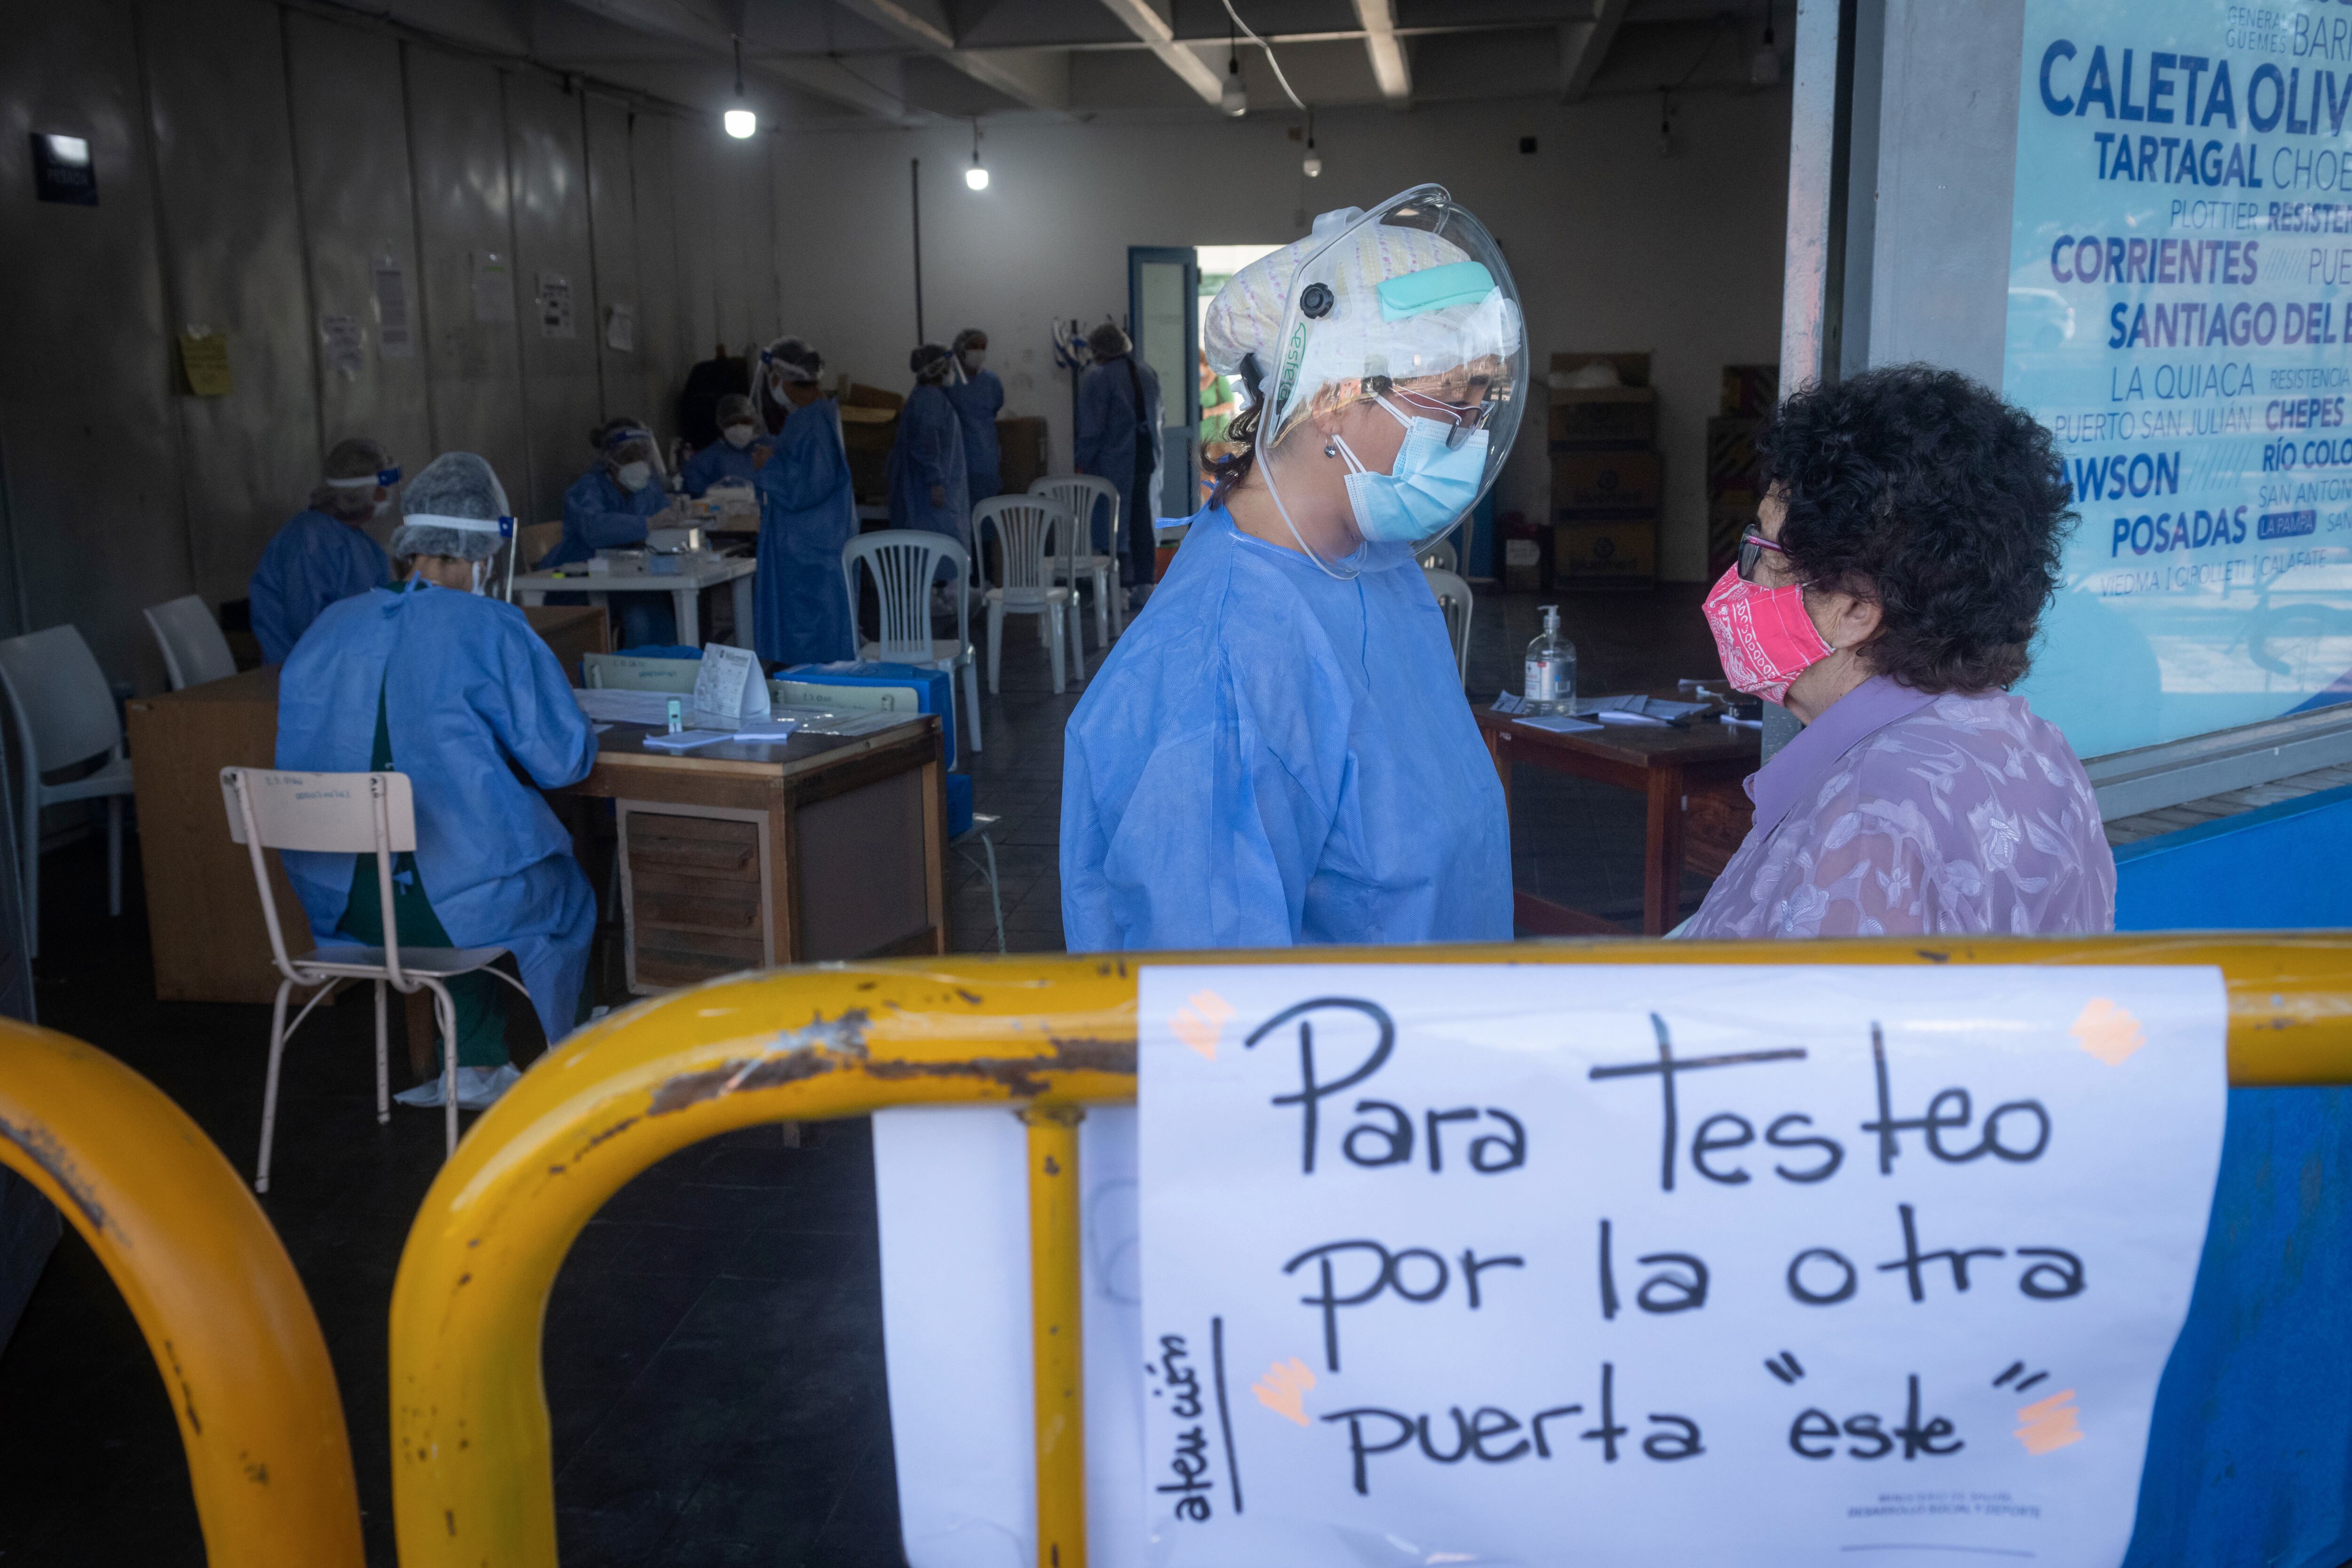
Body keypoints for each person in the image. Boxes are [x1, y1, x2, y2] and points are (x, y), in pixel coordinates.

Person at [1061, 187, 1526, 949]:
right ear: (1336, 397)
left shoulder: (1373, 567)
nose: (1468, 439)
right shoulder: (1216, 662)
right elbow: (1207, 1014)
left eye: (1482, 404)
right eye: (1451, 401)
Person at [1680, 364, 2114, 939]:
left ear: (1855, 611)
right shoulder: (2032, 746)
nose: (1740, 576)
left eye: (1759, 548)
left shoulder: (1869, 814)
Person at [275, 452, 597, 1110]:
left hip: (341, 907)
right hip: (456, 904)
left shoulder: (328, 628)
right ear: (480, 551)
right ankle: (579, 1054)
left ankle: (472, 1063)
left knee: (452, 871)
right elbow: (564, 762)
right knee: (554, 887)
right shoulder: (491, 626)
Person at [750, 336, 857, 665]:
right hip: (810, 545)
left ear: (783, 378)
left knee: (811, 639)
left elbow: (806, 487)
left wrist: (769, 464)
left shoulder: (812, 422)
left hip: (810, 551)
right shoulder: (815, 418)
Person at [251, 437, 397, 663]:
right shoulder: (307, 542)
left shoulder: (360, 544)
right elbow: (309, 628)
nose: (387, 496)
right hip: (302, 674)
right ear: (360, 494)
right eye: (382, 489)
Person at [547, 418, 676, 646]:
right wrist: (645, 525)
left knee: (658, 610)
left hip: (631, 580)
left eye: (643, 457)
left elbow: (663, 517)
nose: (640, 465)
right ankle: (639, 677)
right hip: (583, 582)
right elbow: (595, 529)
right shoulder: (586, 490)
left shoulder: (646, 489)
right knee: (641, 617)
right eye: (629, 458)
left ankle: (667, 673)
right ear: (609, 461)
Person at [1075, 322, 1162, 609]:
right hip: (1145, 458)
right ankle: (1144, 585)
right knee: (1140, 520)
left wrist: (1082, 461)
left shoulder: (1099, 379)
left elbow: (1092, 428)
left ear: (1099, 350)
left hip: (1113, 462)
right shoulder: (1146, 373)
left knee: (1113, 524)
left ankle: (1119, 590)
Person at [887, 344, 971, 580]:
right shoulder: (930, 401)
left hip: (926, 488)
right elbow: (926, 443)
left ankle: (940, 592)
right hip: (930, 494)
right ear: (938, 370)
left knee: (931, 548)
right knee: (938, 545)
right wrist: (936, 480)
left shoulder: (924, 398)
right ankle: (941, 595)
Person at [941, 327, 1005, 504]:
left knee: (988, 509)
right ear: (961, 349)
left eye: (983, 347)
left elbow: (995, 408)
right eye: (973, 346)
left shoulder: (991, 381)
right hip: (960, 457)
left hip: (987, 458)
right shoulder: (949, 381)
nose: (979, 351)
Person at [679, 393, 768, 497]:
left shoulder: (769, 447)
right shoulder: (704, 461)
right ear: (722, 425)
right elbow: (695, 500)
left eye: (745, 422)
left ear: (754, 422)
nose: (739, 427)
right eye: (732, 423)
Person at [1198, 350, 1238, 445]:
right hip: (1198, 437)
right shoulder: (1193, 381)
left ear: (1204, 363)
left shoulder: (1219, 379)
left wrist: (1209, 412)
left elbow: (1231, 405)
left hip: (1217, 437)